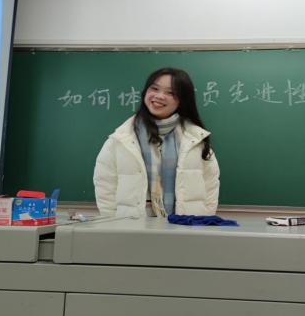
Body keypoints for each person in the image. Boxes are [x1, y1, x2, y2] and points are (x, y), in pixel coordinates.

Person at [93, 67, 219, 218]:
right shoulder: (121, 139)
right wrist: (115, 224)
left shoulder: (196, 139)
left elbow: (210, 185)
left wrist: (203, 221)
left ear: (182, 100)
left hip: (186, 226)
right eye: (154, 88)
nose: (159, 96)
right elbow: (105, 186)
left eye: (171, 93)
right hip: (132, 227)